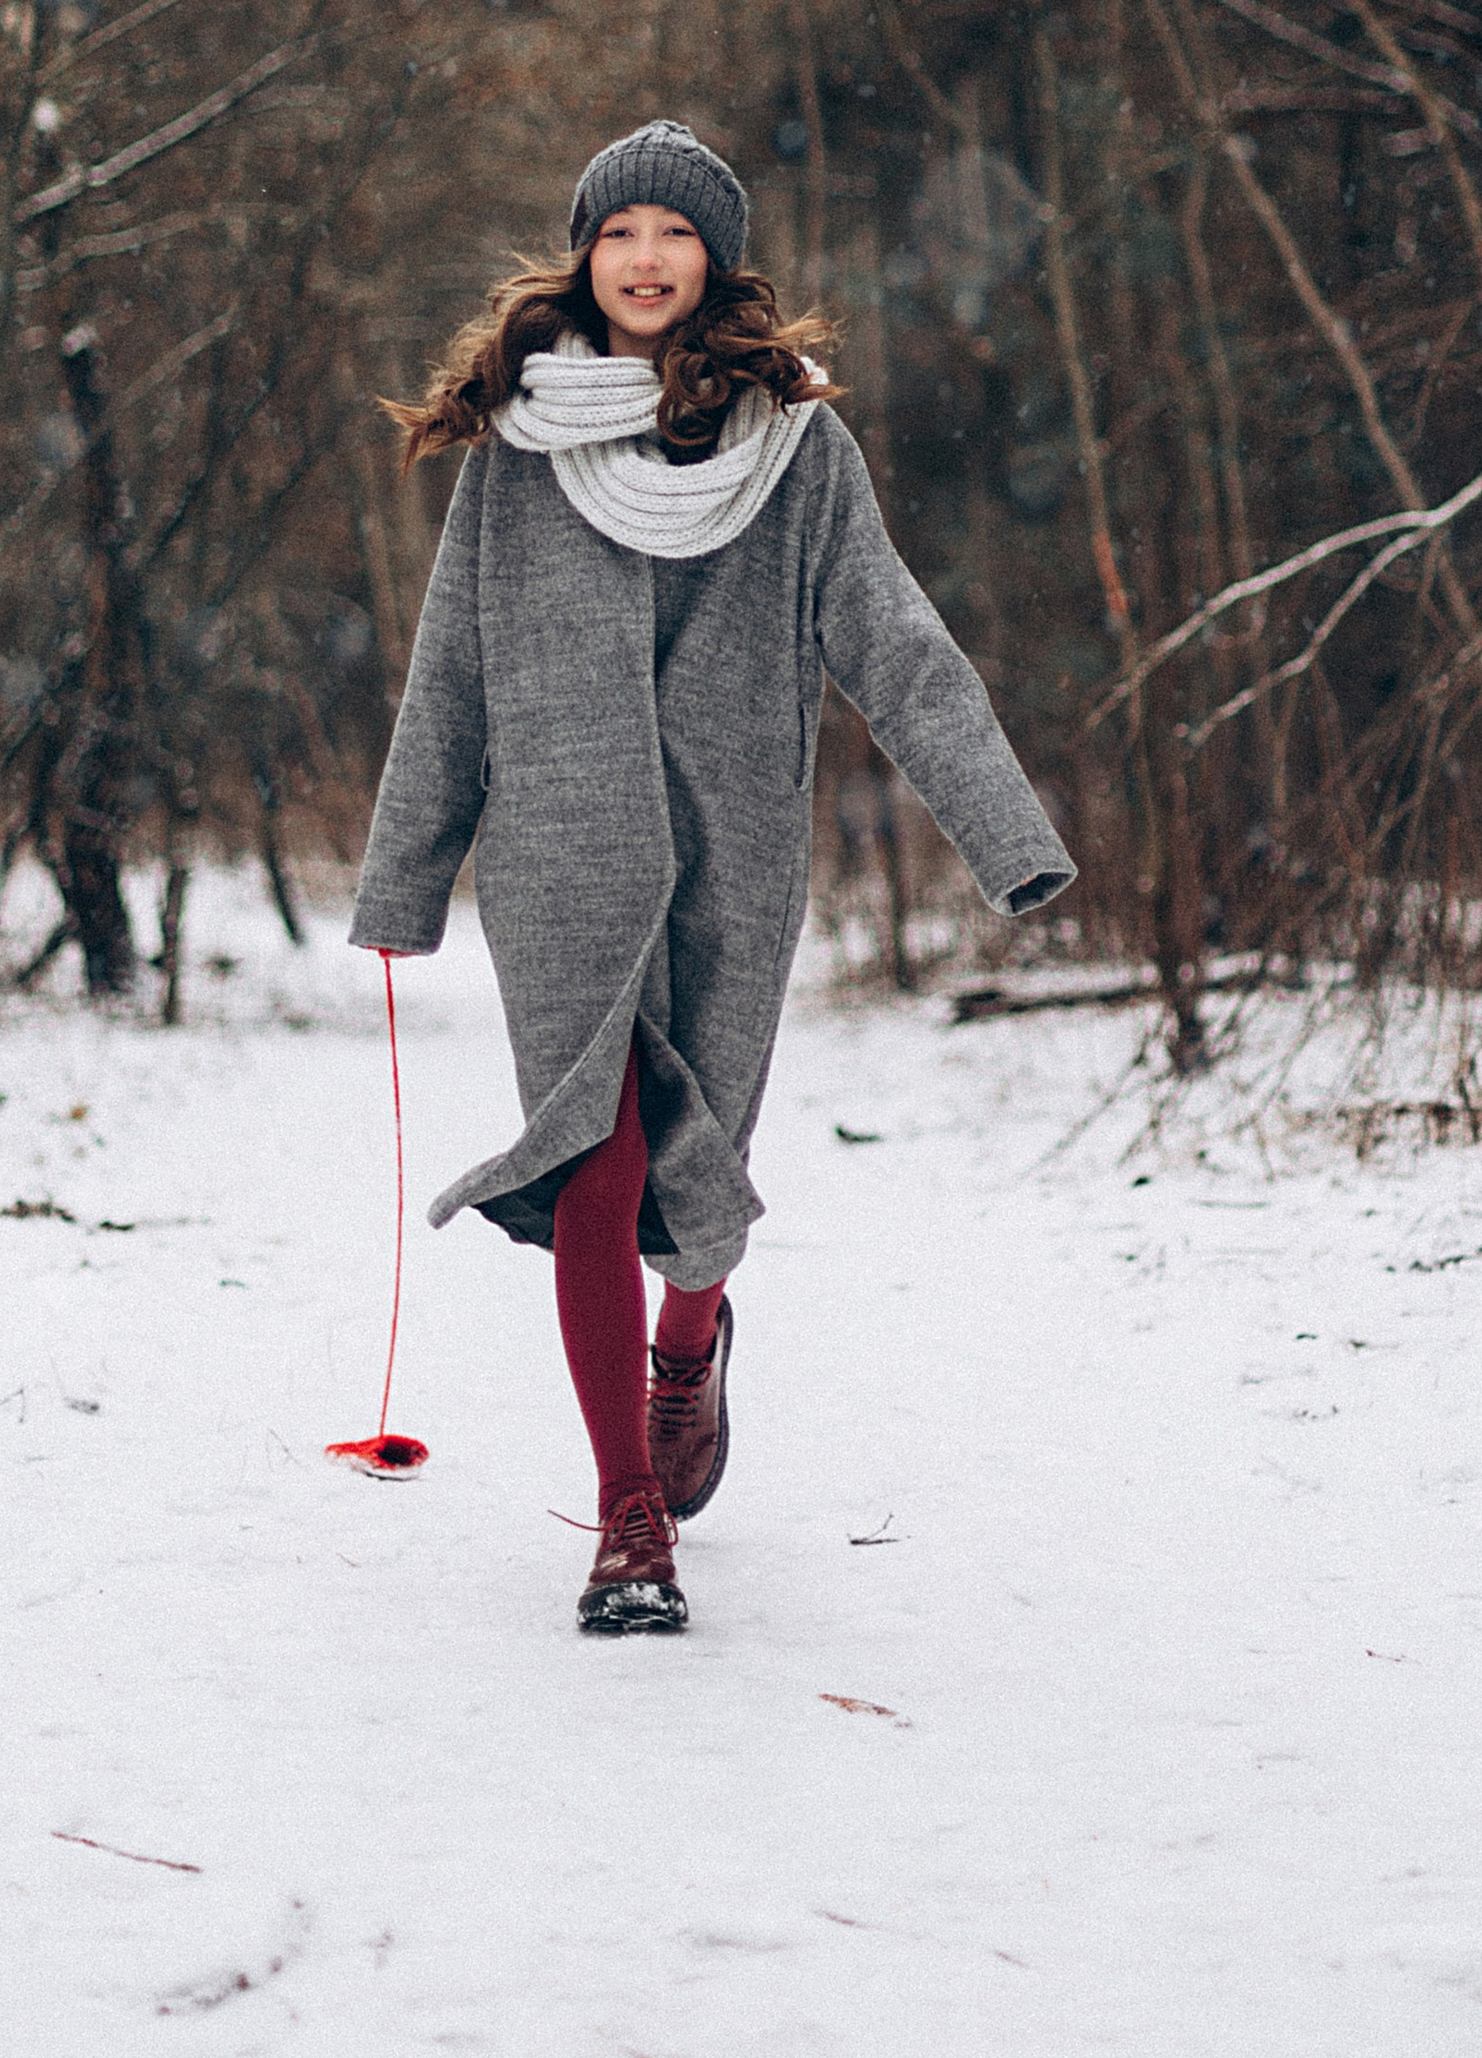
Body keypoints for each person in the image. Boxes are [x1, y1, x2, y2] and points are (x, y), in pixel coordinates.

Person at [349, 118, 1074, 1636]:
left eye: (675, 233)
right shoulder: (515, 456)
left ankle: (694, 1343)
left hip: (732, 858)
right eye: (619, 232)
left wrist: (1007, 837)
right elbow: (452, 675)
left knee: (700, 1178)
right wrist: (406, 876)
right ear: (585, 255)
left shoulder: (799, 452)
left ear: (715, 262)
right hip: (559, 858)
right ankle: (627, 1524)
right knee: (598, 1163)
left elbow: (898, 647)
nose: (645, 258)